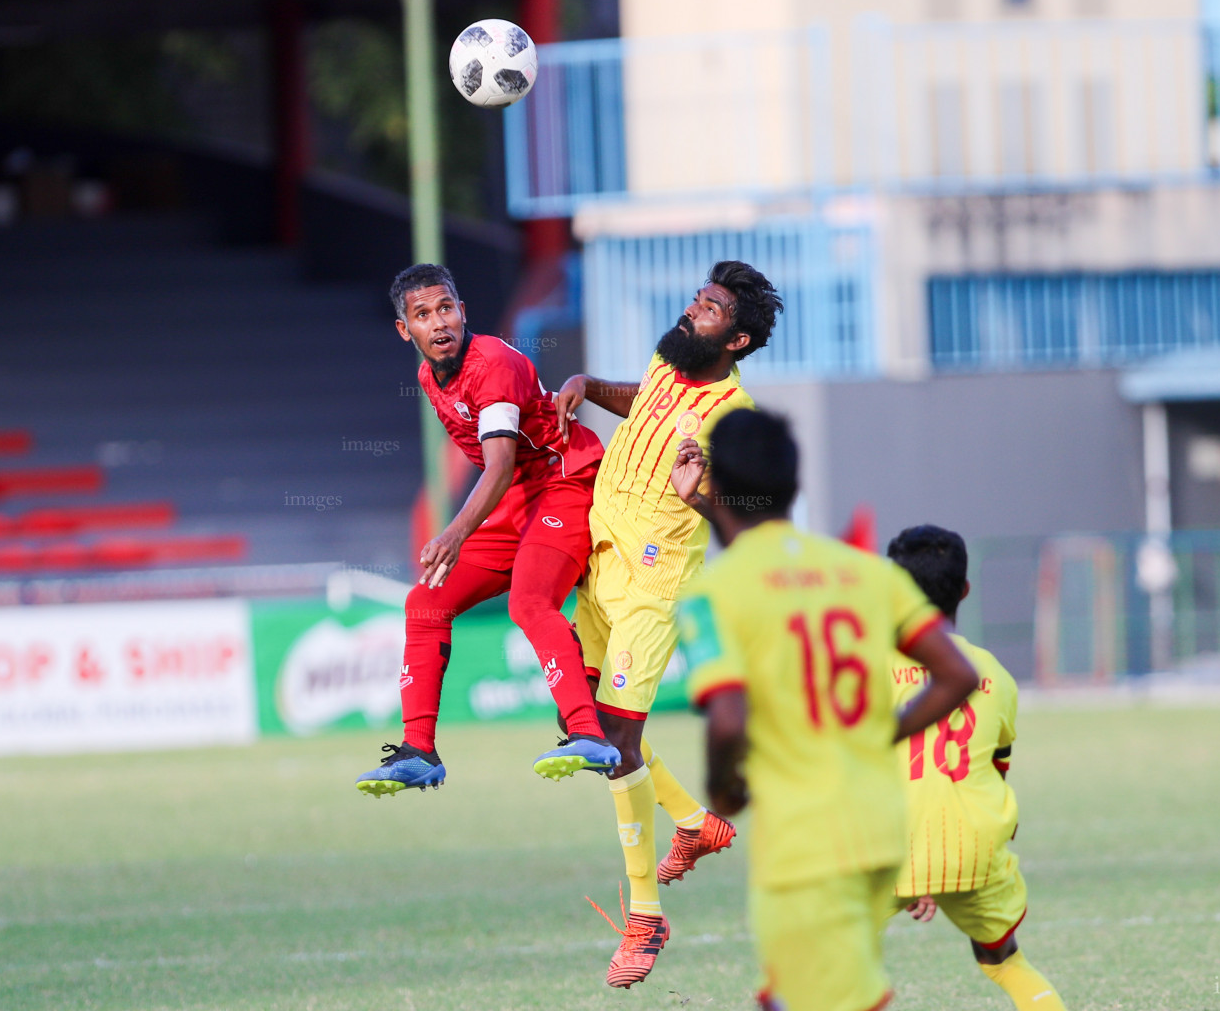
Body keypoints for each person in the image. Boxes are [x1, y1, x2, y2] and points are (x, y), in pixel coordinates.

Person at [677, 408, 980, 1011]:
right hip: (878, 830)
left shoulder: (711, 593)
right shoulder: (864, 572)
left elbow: (730, 717)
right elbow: (956, 673)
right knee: (794, 995)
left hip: (805, 847)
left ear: (718, 487)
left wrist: (722, 794)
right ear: (794, 484)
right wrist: (880, 731)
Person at [554, 260, 776, 987]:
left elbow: (749, 512)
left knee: (612, 740)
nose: (692, 311)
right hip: (598, 557)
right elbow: (642, 400)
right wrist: (590, 388)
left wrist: (702, 489)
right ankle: (693, 822)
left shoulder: (732, 415)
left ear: (737, 340)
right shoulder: (667, 357)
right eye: (696, 299)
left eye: (709, 309)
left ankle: (644, 917)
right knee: (590, 725)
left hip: (654, 580)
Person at [354, 264, 620, 796]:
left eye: (446, 308)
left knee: (528, 601)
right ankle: (418, 751)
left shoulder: (492, 364)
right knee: (424, 603)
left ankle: (589, 735)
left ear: (463, 311)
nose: (439, 323)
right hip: (520, 494)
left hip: (565, 479)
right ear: (406, 331)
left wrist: (453, 533)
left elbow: (497, 466)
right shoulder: (430, 377)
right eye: (423, 315)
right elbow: (502, 472)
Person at [885, 525, 1068, 1011]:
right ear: (964, 590)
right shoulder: (996, 675)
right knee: (1003, 960)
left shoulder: (865, 669)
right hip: (974, 849)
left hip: (883, 847)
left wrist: (912, 872)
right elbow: (993, 770)